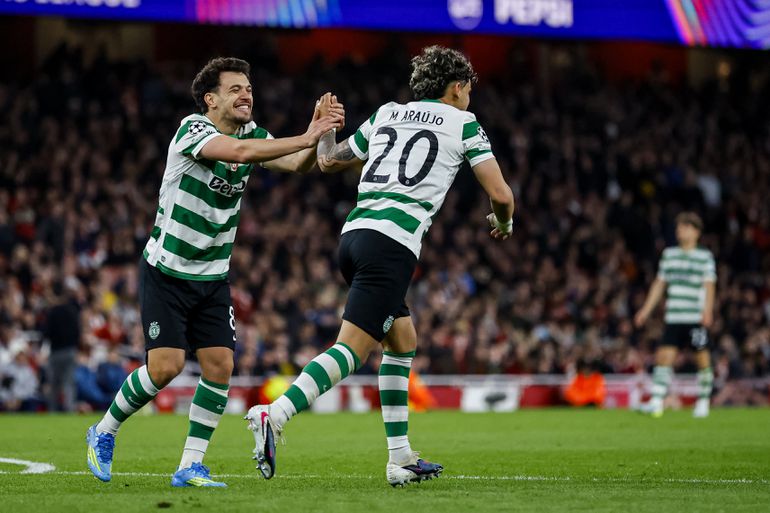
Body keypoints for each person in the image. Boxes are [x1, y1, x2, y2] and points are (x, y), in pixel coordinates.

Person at [246, 45, 515, 487]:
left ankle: (400, 459)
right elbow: (501, 195)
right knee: (352, 350)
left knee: (402, 340)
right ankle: (274, 414)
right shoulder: (465, 123)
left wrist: (330, 129)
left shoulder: (387, 113)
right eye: (468, 88)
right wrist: (503, 223)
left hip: (353, 238)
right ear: (458, 87)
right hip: (391, 246)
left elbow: (329, 160)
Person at [85, 57, 343, 487]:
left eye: (249, 88)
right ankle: (104, 430)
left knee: (220, 366)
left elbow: (297, 165)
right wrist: (306, 135)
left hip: (212, 276)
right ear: (211, 99)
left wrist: (320, 131)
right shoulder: (193, 130)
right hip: (167, 270)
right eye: (236, 89)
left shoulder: (252, 133)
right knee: (165, 367)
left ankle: (190, 465)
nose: (247, 95)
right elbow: (241, 154)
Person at [634, 212, 716, 418]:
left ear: (695, 231)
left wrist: (707, 311)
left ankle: (704, 401)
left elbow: (709, 286)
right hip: (674, 317)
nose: (679, 231)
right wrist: (645, 310)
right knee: (663, 357)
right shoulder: (670, 255)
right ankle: (656, 401)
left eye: (684, 227)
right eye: (679, 227)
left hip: (695, 318)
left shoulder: (704, 256)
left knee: (702, 359)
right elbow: (659, 284)